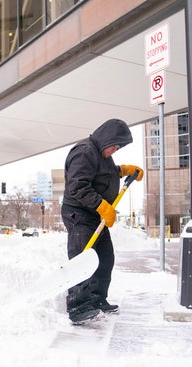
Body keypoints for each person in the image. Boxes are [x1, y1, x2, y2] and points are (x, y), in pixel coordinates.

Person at [61, 119, 143, 324]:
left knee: (105, 258)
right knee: (82, 259)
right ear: (106, 138)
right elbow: (78, 187)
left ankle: (97, 299)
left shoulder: (101, 154)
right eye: (115, 145)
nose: (115, 149)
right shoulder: (84, 152)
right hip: (79, 214)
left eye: (119, 147)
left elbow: (105, 174)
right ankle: (78, 306)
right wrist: (103, 206)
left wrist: (123, 170)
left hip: (95, 215)